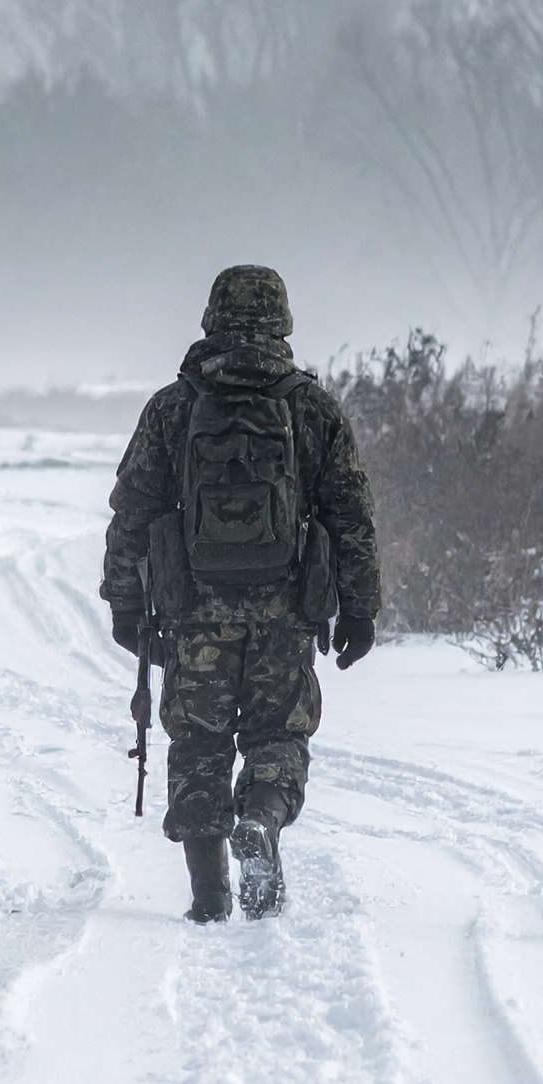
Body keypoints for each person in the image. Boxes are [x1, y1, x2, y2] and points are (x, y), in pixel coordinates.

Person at [101, 265, 379, 922]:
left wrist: (124, 602)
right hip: (285, 612)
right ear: (283, 319)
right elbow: (351, 516)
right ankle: (260, 817)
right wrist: (360, 608)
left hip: (193, 613)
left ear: (211, 316)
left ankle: (210, 898)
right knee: (278, 733)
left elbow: (133, 511)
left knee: (198, 740)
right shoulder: (310, 408)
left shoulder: (173, 407)